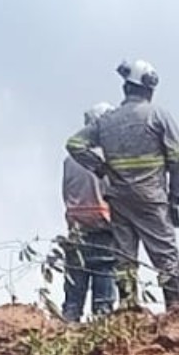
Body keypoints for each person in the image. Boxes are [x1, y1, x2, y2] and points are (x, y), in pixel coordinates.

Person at [66, 59, 179, 311]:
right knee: (165, 255)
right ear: (149, 89)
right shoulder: (158, 115)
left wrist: (101, 169)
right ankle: (176, 308)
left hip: (119, 199)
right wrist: (175, 197)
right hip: (151, 198)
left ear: (126, 88)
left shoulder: (107, 121)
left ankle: (128, 308)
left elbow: (74, 145)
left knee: (124, 257)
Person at [59, 102, 119, 321]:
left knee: (72, 303)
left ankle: (67, 336)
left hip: (77, 234)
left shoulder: (69, 160)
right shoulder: (108, 158)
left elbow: (66, 193)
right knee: (103, 305)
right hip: (104, 234)